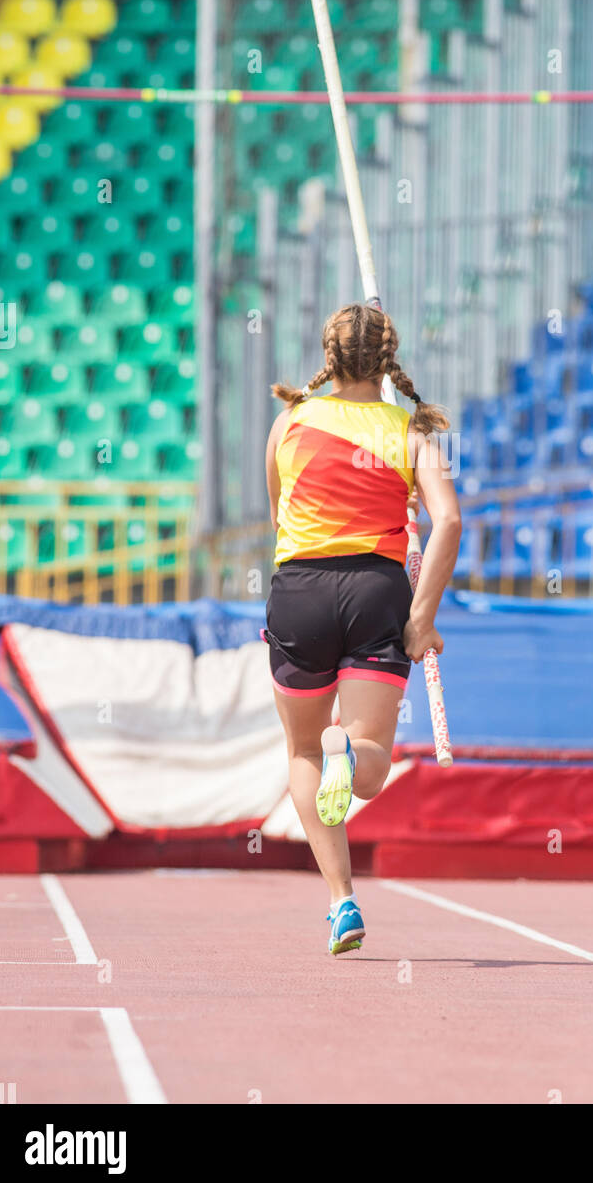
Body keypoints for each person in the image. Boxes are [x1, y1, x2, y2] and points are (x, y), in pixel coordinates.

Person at [263, 303, 462, 954]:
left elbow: (279, 520)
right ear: (388, 358)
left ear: (328, 355)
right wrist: (422, 615)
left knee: (299, 753)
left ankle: (340, 901)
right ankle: (346, 750)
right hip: (377, 590)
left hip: (299, 591)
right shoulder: (412, 432)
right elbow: (449, 522)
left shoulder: (288, 423)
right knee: (367, 768)